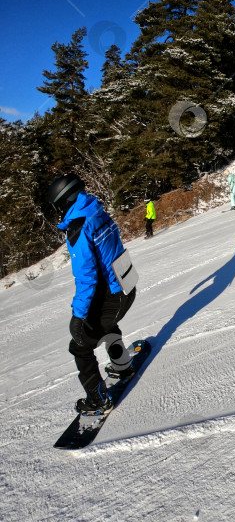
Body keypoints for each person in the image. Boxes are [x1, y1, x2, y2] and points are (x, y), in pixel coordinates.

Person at [47, 173, 137, 414]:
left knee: (80, 345)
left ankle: (98, 400)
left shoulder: (78, 226)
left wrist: (78, 317)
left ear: (63, 201)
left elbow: (86, 277)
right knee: (105, 323)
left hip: (114, 294)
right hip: (124, 286)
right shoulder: (96, 210)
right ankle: (122, 365)